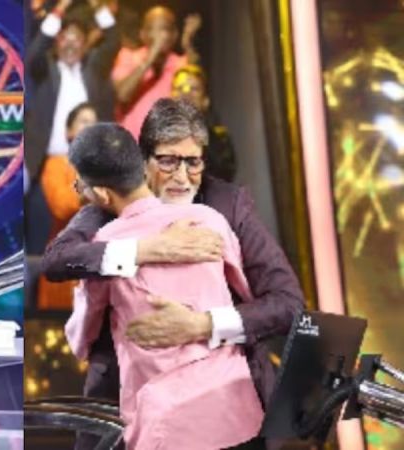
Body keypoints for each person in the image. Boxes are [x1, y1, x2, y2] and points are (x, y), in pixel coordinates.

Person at [42, 98, 305, 449]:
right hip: (128, 408)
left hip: (227, 403)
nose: (182, 176)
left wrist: (203, 324)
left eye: (193, 162)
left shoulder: (224, 208)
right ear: (143, 161)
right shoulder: (108, 207)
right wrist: (145, 249)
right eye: (168, 160)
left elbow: (287, 304)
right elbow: (56, 261)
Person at [24, 0, 119, 184]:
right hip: (44, 168)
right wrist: (60, 9)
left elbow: (113, 40)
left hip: (89, 170)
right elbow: (36, 50)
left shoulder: (94, 69)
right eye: (64, 38)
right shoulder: (44, 71)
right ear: (56, 43)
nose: (70, 44)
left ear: (85, 44)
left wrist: (97, 6)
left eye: (76, 39)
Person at [38, 102, 98, 309]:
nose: (90, 128)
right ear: (69, 131)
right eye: (84, 122)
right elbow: (61, 206)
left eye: (94, 123)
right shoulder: (56, 164)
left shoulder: (109, 168)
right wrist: (88, 187)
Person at [111, 6, 200, 138]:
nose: (160, 36)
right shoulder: (128, 57)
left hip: (166, 146)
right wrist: (151, 56)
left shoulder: (181, 64)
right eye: (153, 29)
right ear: (142, 34)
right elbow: (122, 95)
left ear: (174, 35)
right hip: (131, 145)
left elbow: (196, 97)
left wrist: (188, 44)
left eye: (165, 29)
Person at [170, 64, 236, 182]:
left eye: (194, 88)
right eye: (180, 88)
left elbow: (223, 175)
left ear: (205, 101)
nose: (186, 93)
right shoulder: (156, 139)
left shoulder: (218, 139)